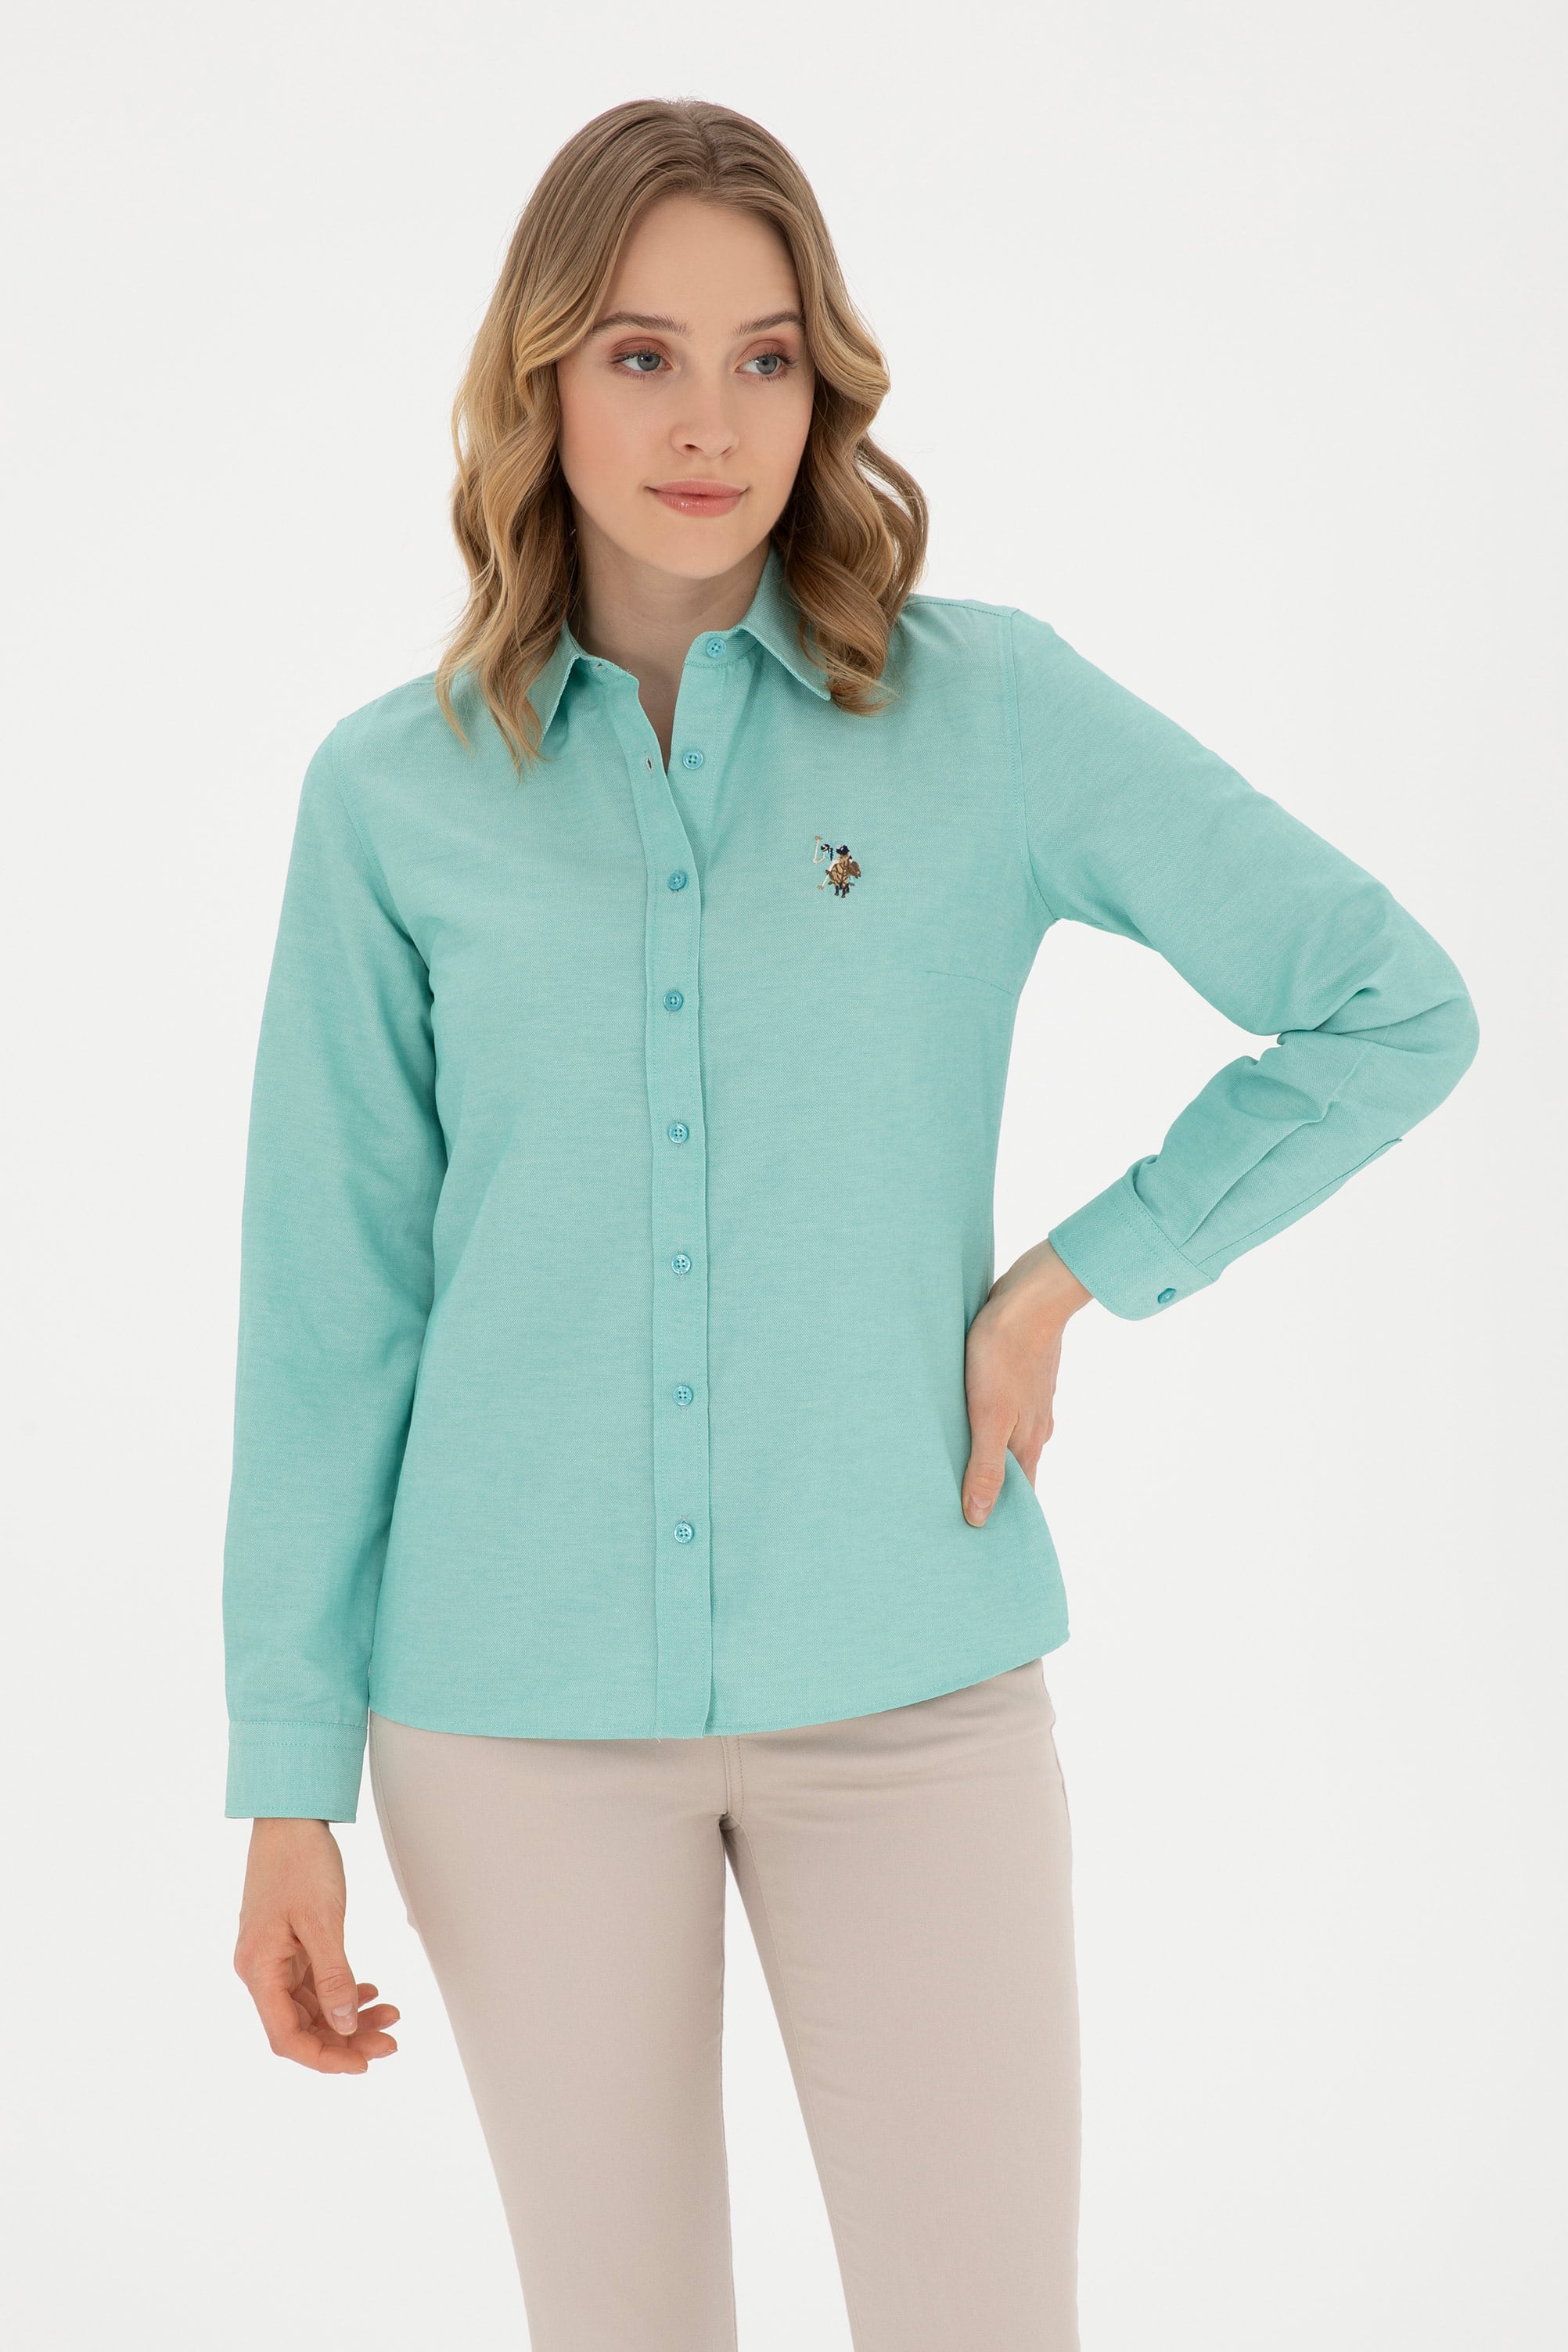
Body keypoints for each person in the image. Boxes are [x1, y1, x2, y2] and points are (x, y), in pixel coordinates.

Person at [224, 97, 1479, 2352]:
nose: (708, 422)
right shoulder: (390, 797)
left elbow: (1389, 1004)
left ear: (827, 389)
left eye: (766, 357)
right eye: (639, 355)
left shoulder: (987, 712)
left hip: (913, 1677)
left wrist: (1075, 1274)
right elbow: (334, 1313)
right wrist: (285, 1788)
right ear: (539, 377)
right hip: (507, 1718)